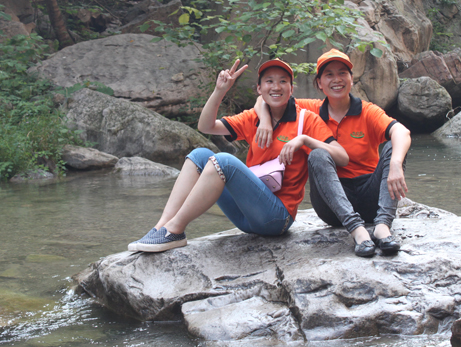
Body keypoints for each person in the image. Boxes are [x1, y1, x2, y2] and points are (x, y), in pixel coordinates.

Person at [127, 58, 349, 253]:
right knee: (199, 154)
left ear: (291, 89)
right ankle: (162, 228)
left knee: (225, 161)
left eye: (283, 81)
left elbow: (342, 156)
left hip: (276, 218)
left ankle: (175, 229)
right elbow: (206, 126)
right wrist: (220, 90)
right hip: (245, 216)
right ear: (259, 88)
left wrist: (305, 140)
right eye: (269, 81)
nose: (276, 86)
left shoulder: (306, 120)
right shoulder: (252, 118)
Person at [255, 49, 411, 257]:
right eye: (329, 74)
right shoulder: (309, 110)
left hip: (370, 196)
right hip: (332, 204)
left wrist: (395, 164)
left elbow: (402, 132)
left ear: (351, 79)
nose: (336, 79)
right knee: (317, 155)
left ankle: (382, 227)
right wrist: (265, 120)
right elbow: (266, 99)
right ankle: (357, 230)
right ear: (319, 83)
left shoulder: (367, 111)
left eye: (342, 73)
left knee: (395, 147)